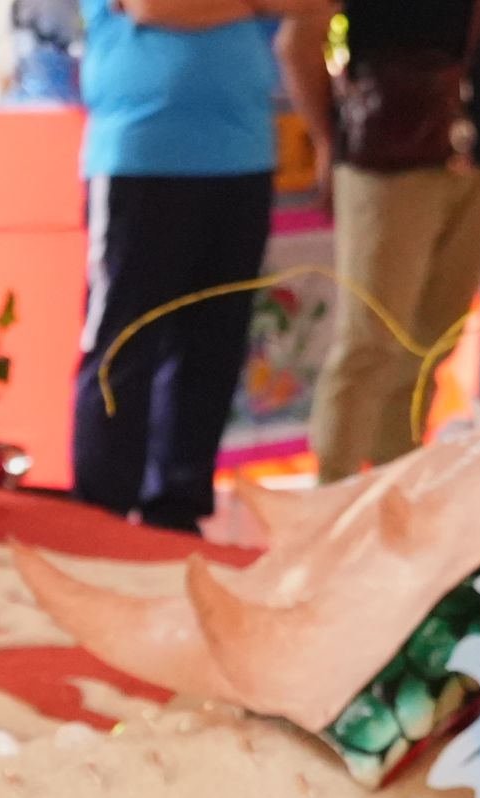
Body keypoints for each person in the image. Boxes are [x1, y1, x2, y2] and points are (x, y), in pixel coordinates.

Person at [71, 0, 309, 535]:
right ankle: (101, 513)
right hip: (142, 151)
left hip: (243, 154)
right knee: (123, 342)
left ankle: (176, 511)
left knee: (214, 344)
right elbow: (153, 5)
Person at [280, 0, 480, 475]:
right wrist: (329, 140)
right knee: (370, 343)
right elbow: (297, 42)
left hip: (476, 152)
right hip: (389, 158)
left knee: (433, 341)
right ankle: (334, 496)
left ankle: (396, 483)